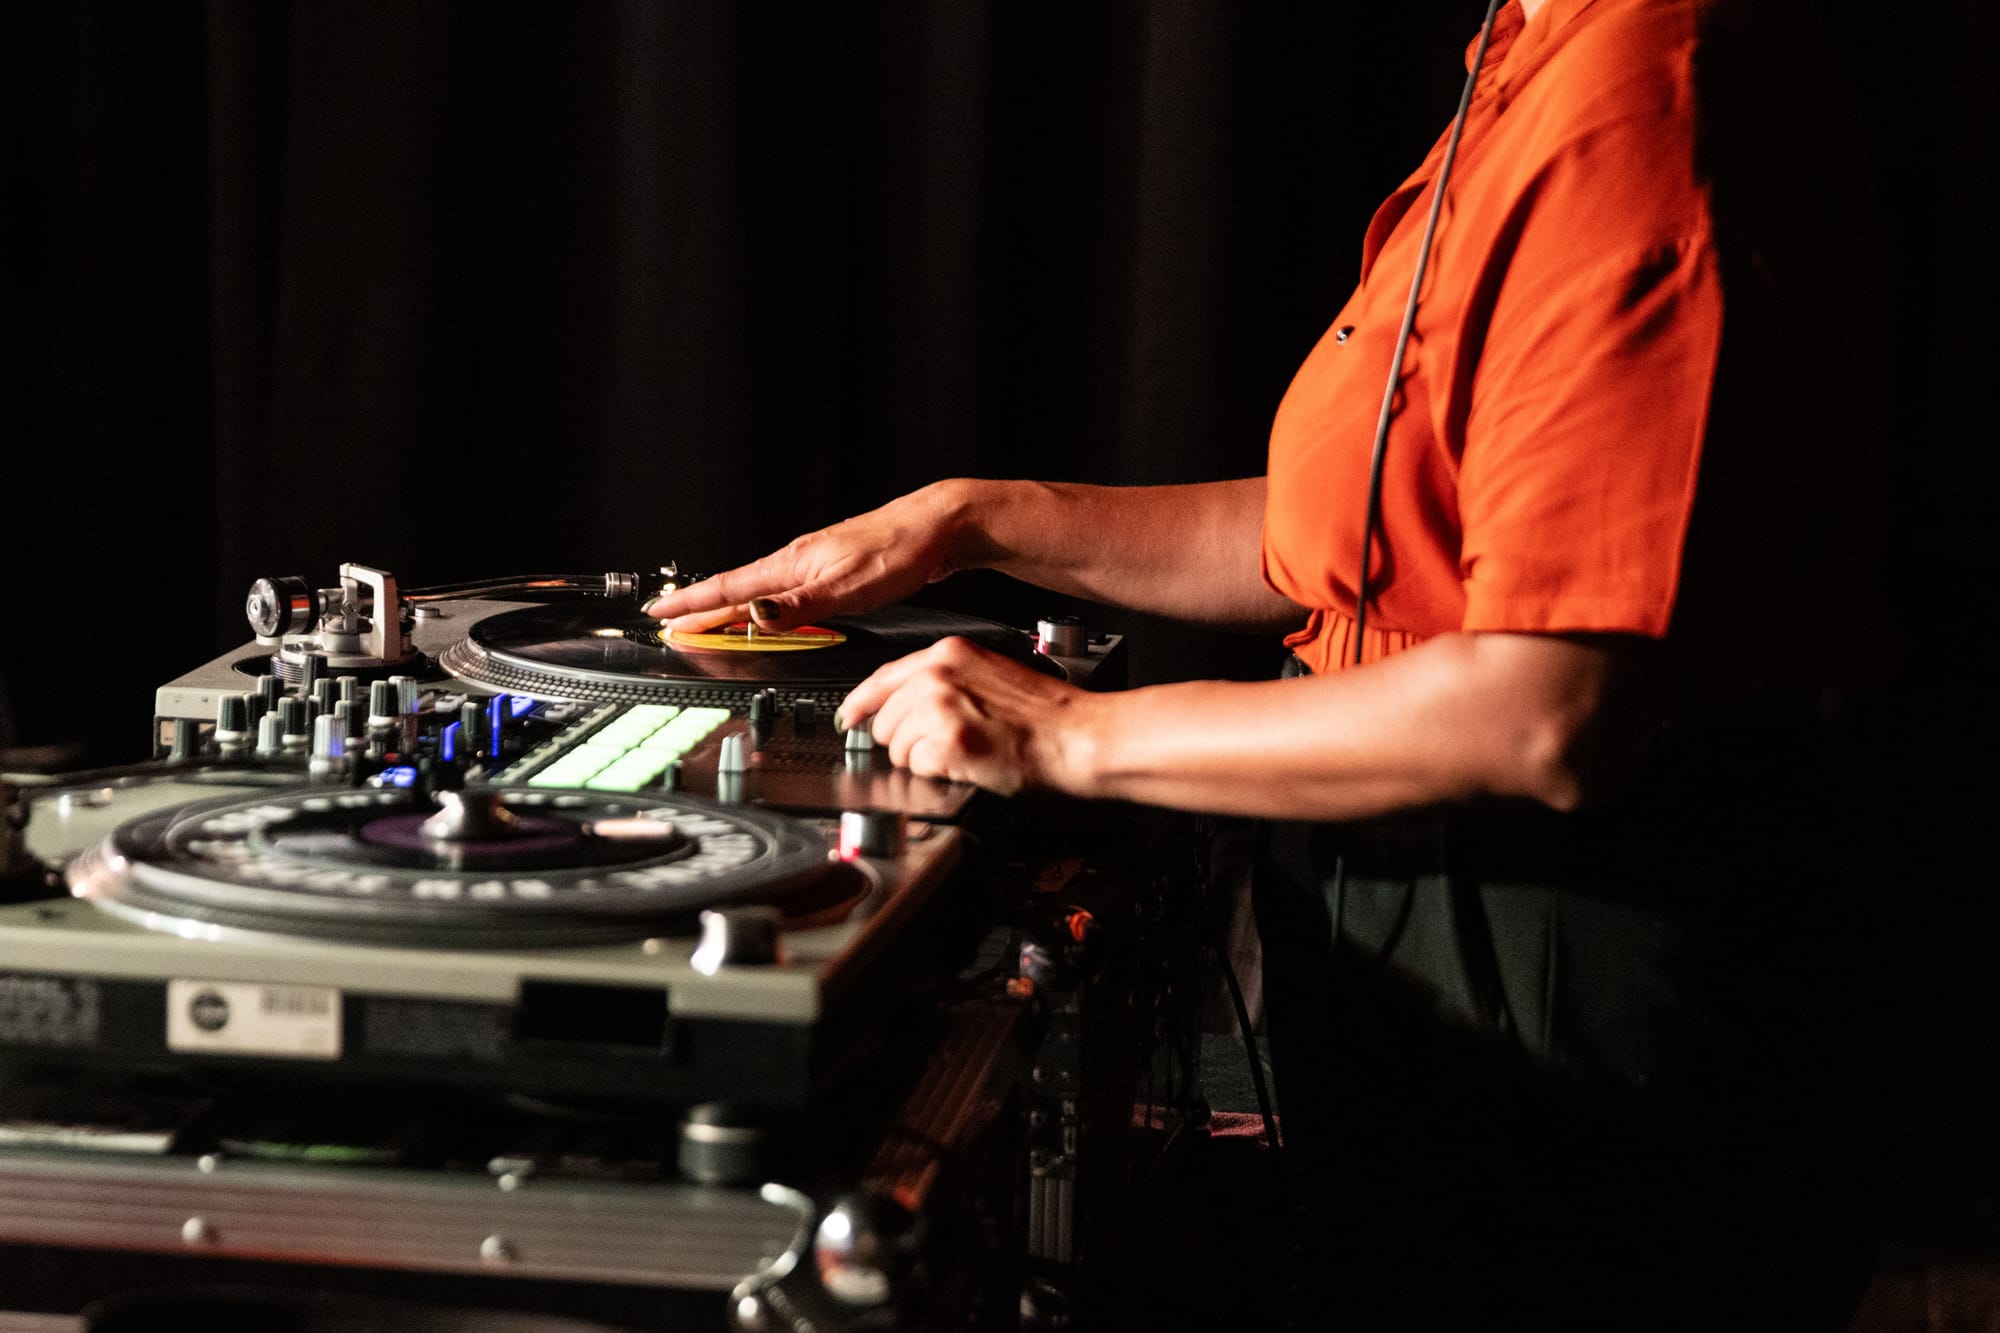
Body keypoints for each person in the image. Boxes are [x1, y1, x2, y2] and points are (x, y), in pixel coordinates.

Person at [649, 0, 1898, 1324]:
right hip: (1470, 917)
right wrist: (974, 519)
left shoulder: (1648, 105)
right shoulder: (1547, 58)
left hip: (1584, 961)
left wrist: (1067, 736)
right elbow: (1358, 535)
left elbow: (1545, 706)